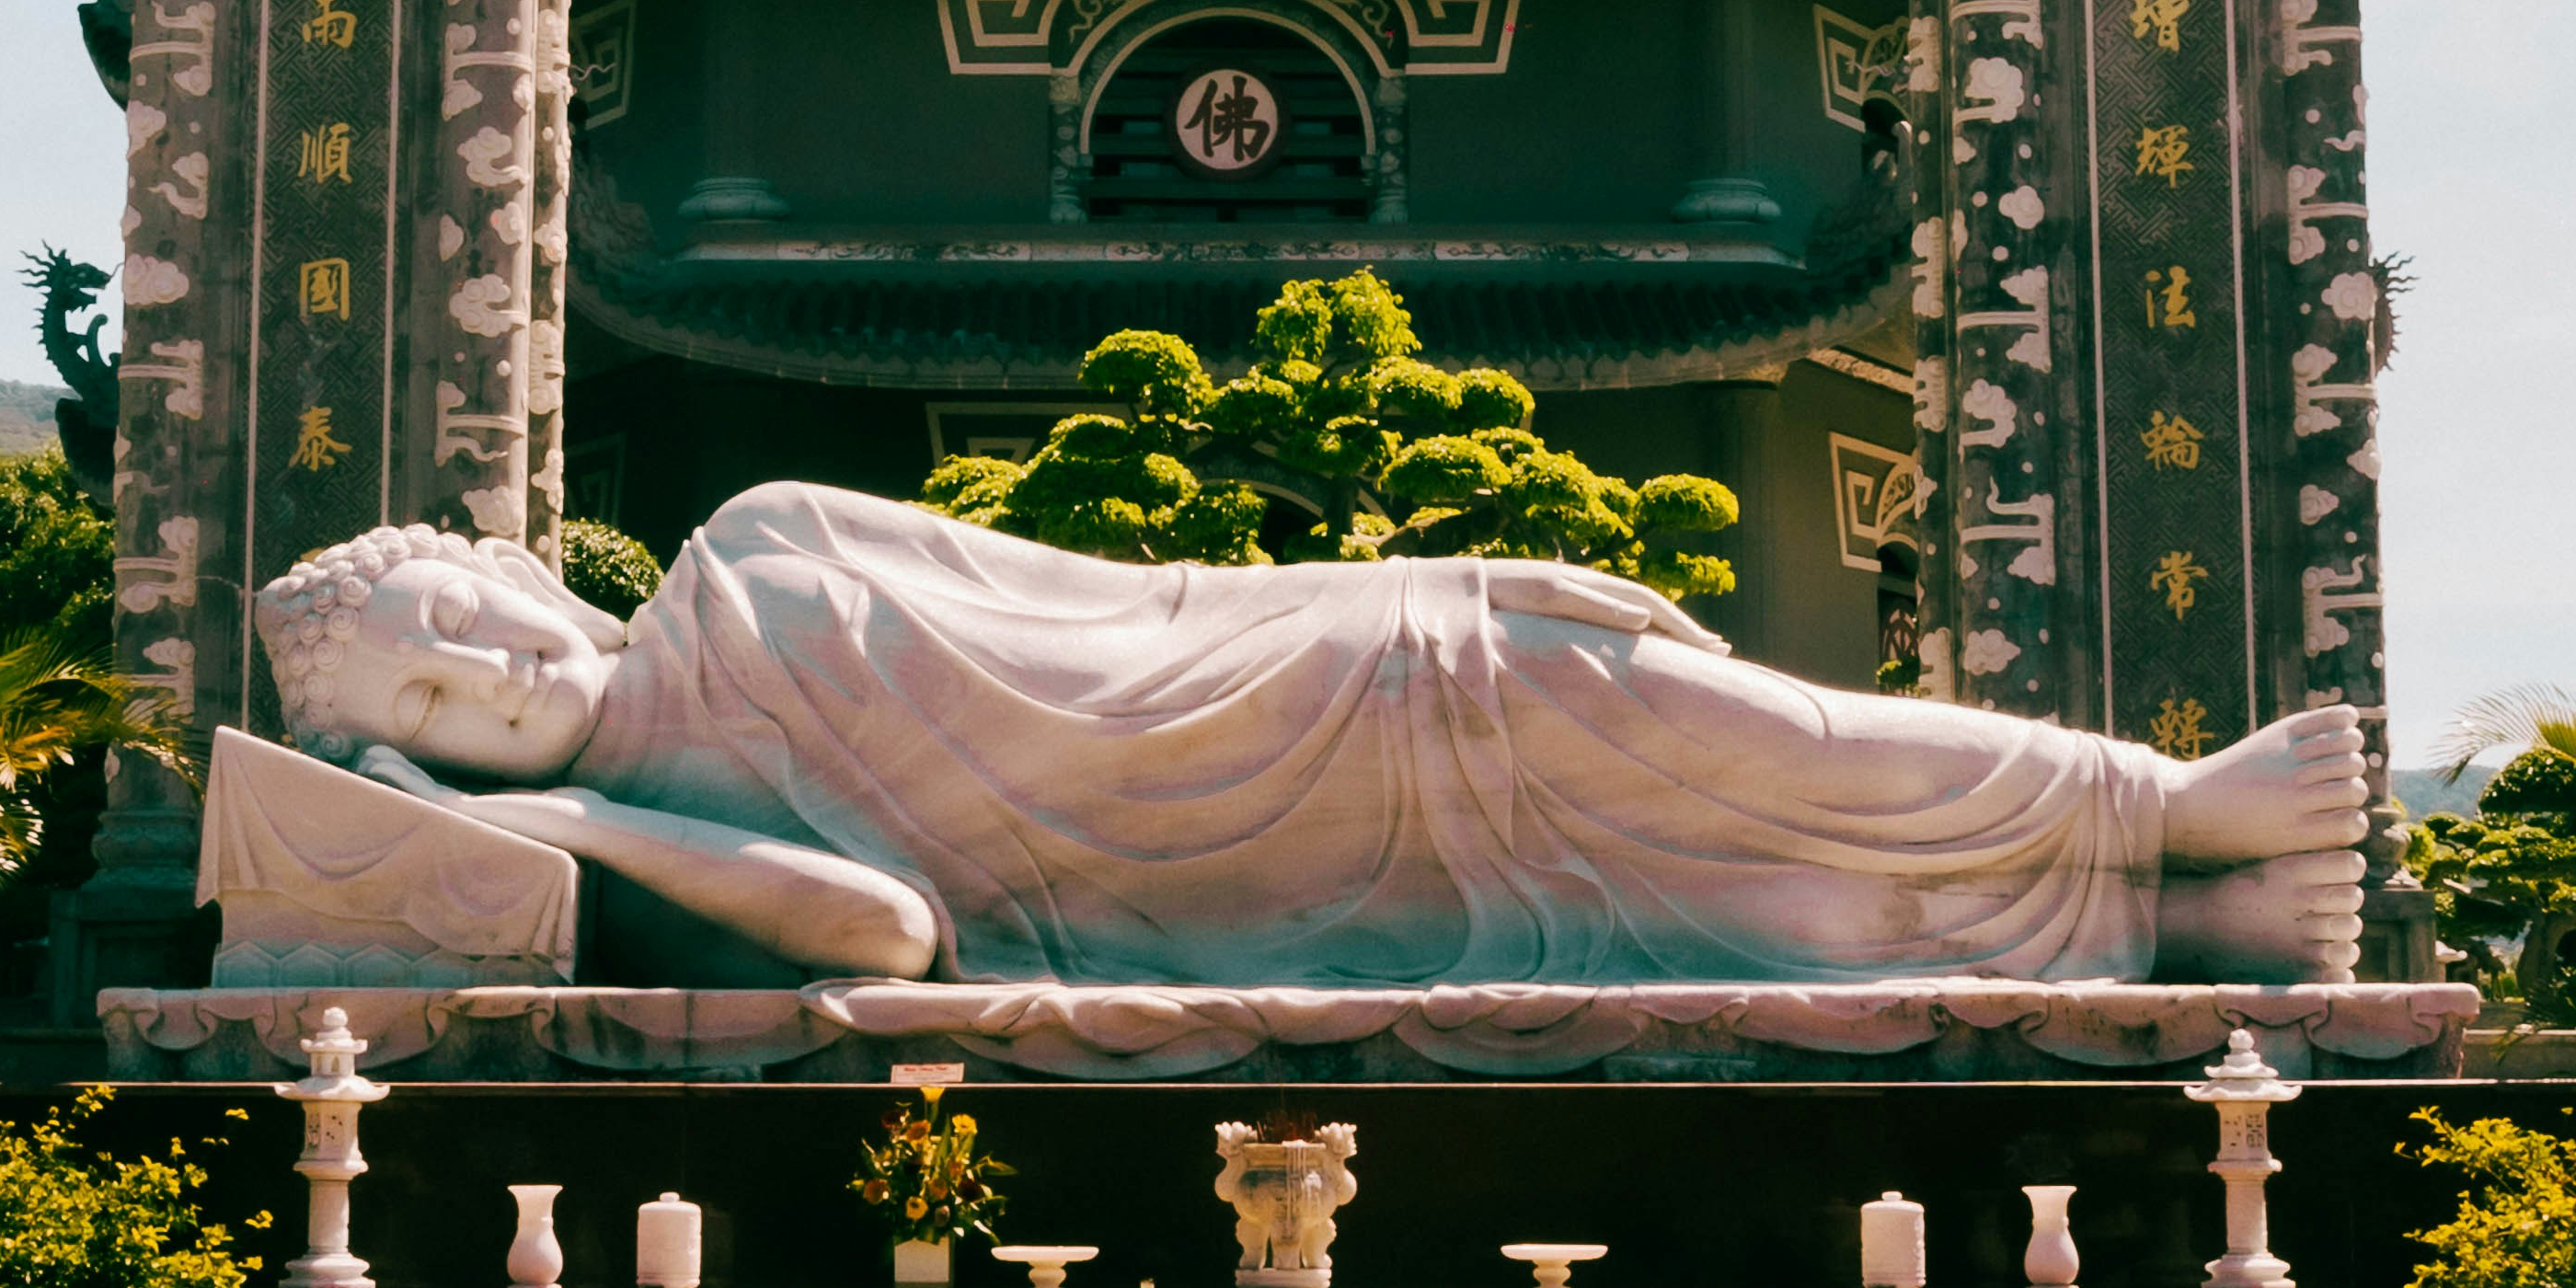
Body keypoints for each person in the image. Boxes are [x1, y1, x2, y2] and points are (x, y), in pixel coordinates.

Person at [247, 483, 2374, 990]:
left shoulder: (759, 544)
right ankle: (2168, 932)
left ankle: (2165, 808)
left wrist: (1417, 588)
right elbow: (887, 935)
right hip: (1223, 887)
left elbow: (1113, 600)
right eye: (432, 719)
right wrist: (578, 822)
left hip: (1323, 681)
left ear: (509, 568)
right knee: (1743, 904)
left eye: (457, 635)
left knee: (1740, 729)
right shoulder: (664, 814)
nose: (484, 685)